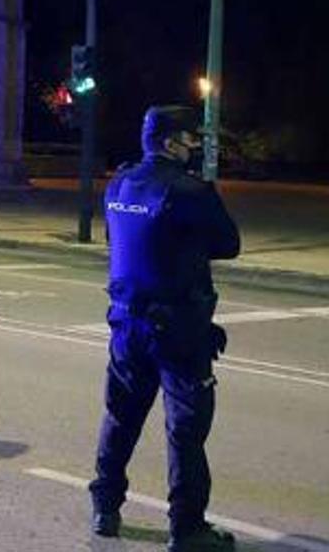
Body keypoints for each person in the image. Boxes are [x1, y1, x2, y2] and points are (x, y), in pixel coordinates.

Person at [89, 105, 240, 551]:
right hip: (177, 328)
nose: (196, 146)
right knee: (186, 430)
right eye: (192, 139)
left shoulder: (119, 183)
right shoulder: (190, 192)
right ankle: (187, 527)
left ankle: (105, 508)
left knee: (120, 417)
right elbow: (229, 243)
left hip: (126, 322)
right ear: (172, 142)